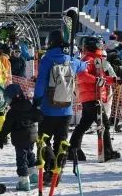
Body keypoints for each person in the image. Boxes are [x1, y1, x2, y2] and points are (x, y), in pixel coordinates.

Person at [34, 29, 88, 183]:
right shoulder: (71, 60)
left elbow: (41, 83)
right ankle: (58, 170)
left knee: (43, 140)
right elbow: (83, 66)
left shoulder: (47, 59)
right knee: (61, 142)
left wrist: (36, 102)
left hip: (48, 109)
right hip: (66, 110)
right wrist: (78, 58)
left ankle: (50, 170)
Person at [69, 36, 120, 162]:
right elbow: (82, 75)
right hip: (92, 96)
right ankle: (107, 152)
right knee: (104, 124)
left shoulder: (96, 59)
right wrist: (98, 81)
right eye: (99, 45)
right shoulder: (88, 59)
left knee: (84, 124)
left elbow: (100, 79)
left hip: (93, 96)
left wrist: (113, 80)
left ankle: (73, 149)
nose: (101, 47)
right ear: (93, 46)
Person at [0, 84, 40, 191]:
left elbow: (6, 127)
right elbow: (38, 116)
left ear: (14, 98)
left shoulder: (12, 112)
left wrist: (1, 137)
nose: (7, 101)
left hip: (20, 138)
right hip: (32, 136)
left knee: (21, 158)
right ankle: (34, 174)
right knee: (30, 153)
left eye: (8, 98)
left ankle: (24, 181)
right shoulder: (29, 105)